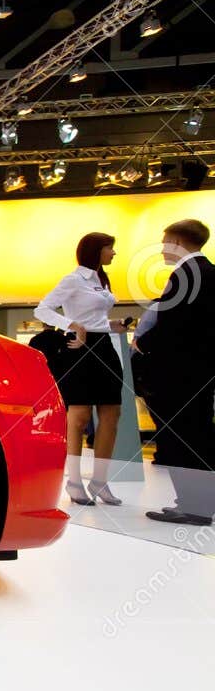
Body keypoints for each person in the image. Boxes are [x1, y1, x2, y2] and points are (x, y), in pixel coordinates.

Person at [33, 232, 128, 506]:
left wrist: (113, 325)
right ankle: (74, 482)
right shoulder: (73, 279)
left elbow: (96, 318)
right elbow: (43, 309)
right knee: (79, 416)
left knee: (112, 412)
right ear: (96, 250)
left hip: (104, 346)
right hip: (79, 349)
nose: (113, 253)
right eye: (110, 248)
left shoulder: (102, 279)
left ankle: (100, 482)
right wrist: (71, 325)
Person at [134, 218, 215, 526]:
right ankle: (200, 503)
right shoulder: (210, 272)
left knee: (180, 440)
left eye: (166, 242)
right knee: (199, 436)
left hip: (177, 374)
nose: (163, 249)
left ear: (178, 242)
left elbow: (174, 324)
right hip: (199, 373)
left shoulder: (186, 275)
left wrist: (144, 343)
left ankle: (194, 508)